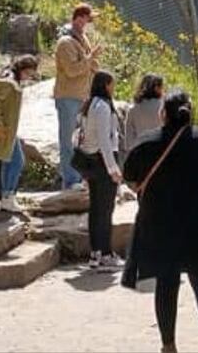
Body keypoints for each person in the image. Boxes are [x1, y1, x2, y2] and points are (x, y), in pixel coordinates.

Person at [123, 91, 198, 353]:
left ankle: (168, 345)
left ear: (163, 114)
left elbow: (129, 174)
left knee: (166, 286)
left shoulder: (146, 142)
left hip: (160, 228)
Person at [0, 55, 40, 213]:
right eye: (28, 73)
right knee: (17, 161)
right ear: (22, 69)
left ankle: (7, 197)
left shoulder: (9, 77)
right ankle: (7, 196)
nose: (28, 78)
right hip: (4, 129)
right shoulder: (10, 84)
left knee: (10, 160)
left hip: (8, 129)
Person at [76, 70, 124, 269]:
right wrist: (113, 168)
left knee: (96, 209)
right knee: (106, 209)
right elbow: (105, 140)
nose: (114, 88)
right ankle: (106, 253)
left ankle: (95, 252)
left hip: (91, 161)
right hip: (104, 161)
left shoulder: (89, 105)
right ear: (106, 85)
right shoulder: (103, 107)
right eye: (112, 84)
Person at [54, 3, 103, 191]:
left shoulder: (83, 39)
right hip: (68, 97)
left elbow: (91, 64)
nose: (87, 23)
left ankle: (78, 177)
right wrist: (90, 59)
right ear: (78, 18)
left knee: (80, 140)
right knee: (67, 140)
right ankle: (70, 180)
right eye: (86, 19)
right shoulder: (65, 43)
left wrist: (95, 63)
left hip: (82, 96)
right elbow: (72, 70)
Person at [124, 74, 165, 166]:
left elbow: (128, 141)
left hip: (141, 156)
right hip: (162, 154)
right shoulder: (164, 107)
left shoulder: (133, 109)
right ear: (156, 88)